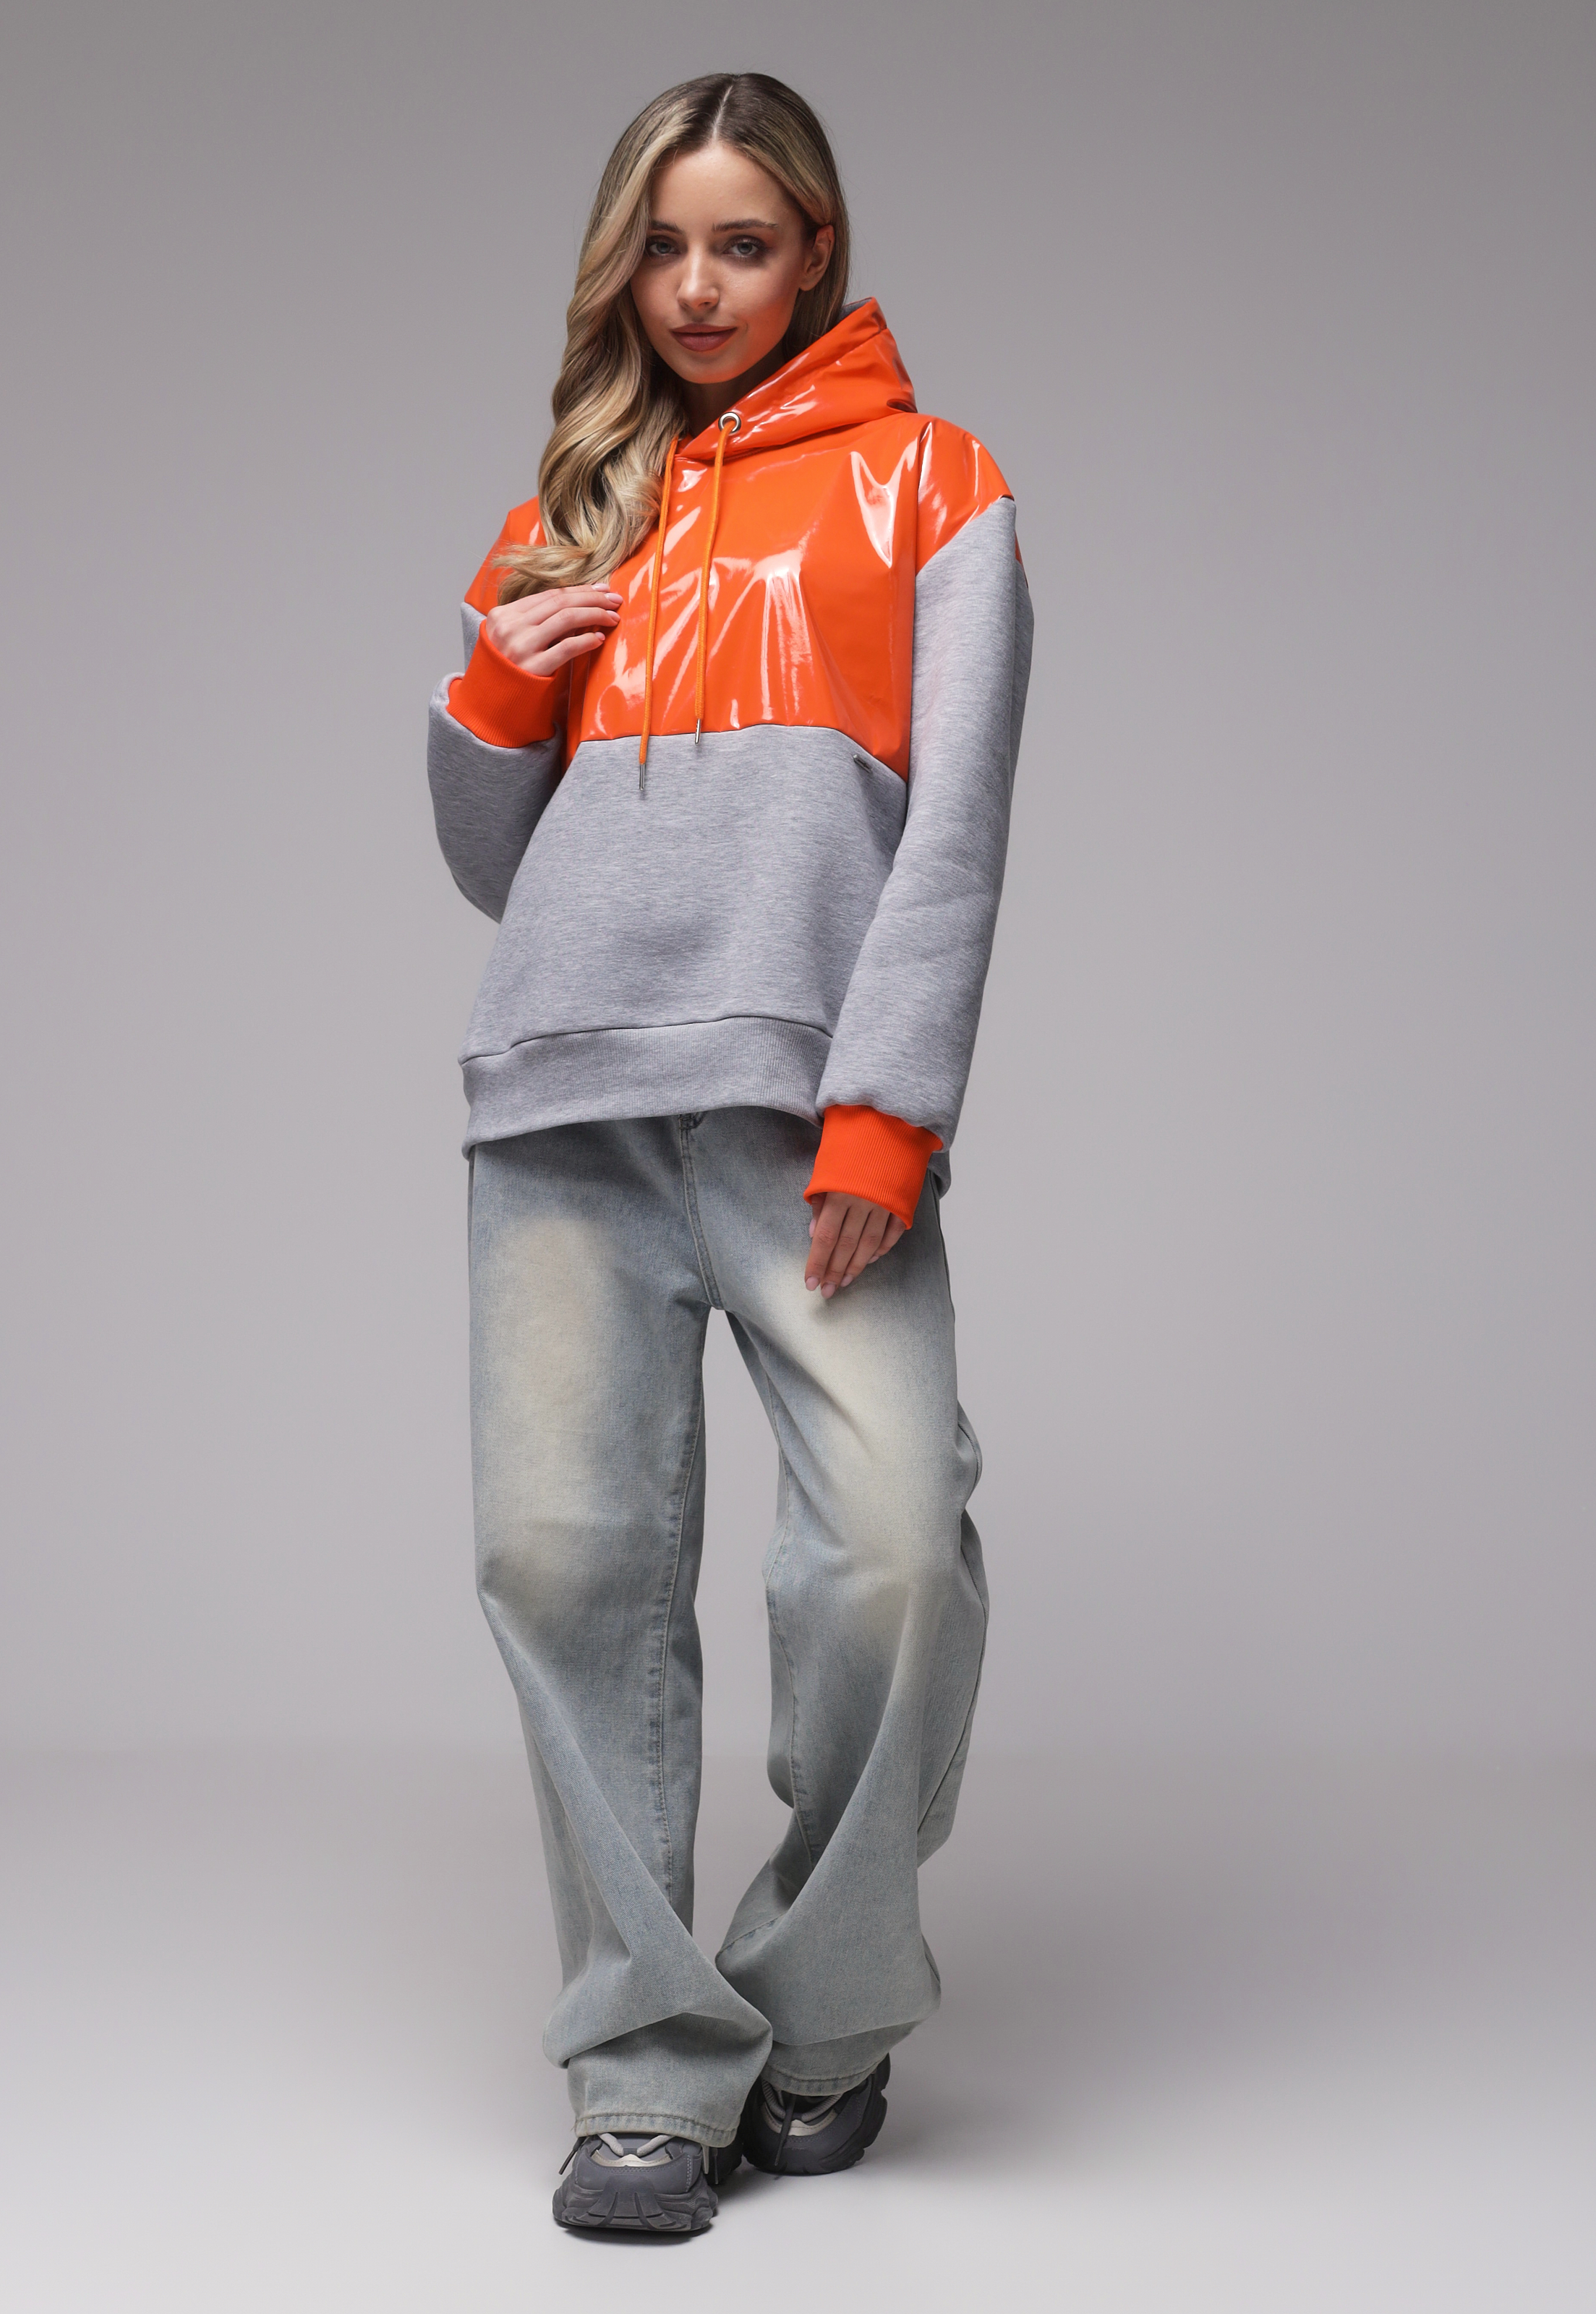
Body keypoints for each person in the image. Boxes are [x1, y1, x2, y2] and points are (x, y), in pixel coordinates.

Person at [425, 71, 1032, 2236]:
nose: (697, 288)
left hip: (808, 1112)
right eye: (664, 247)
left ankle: (829, 2003)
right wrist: (495, 692)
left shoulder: (932, 485)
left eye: (742, 245)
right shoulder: (568, 509)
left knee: (889, 1552)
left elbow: (954, 826)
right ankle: (646, 2070)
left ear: (816, 253)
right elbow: (495, 862)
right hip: (562, 1103)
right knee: (564, 1567)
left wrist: (889, 1109)